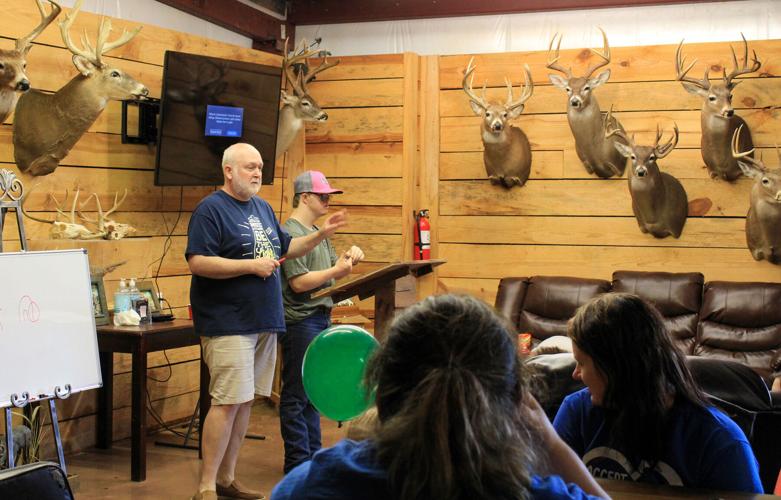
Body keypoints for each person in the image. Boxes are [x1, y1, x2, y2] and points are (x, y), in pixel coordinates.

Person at [273, 294, 610, 500]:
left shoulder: (313, 485)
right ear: (514, 402)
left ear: (382, 389)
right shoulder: (531, 493)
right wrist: (549, 442)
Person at [186, 143, 347, 500]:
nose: (257, 173)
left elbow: (286, 248)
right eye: (249, 167)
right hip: (228, 322)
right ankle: (206, 486)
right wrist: (249, 266)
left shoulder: (260, 207)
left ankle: (227, 479)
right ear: (229, 171)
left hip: (263, 322)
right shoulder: (210, 209)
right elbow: (198, 261)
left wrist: (322, 233)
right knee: (227, 401)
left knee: (245, 402)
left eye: (259, 167)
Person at [554, 293, 763, 493]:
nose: (575, 374)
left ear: (616, 367)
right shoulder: (576, 412)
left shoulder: (721, 442)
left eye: (581, 363)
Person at [279, 170, 365, 473]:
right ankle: (297, 462)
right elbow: (300, 284)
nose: (328, 200)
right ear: (305, 197)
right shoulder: (290, 233)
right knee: (295, 394)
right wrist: (336, 272)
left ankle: (312, 458)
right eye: (323, 195)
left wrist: (347, 259)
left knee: (312, 392)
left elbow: (328, 275)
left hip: (318, 318)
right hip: (300, 321)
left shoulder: (317, 232)